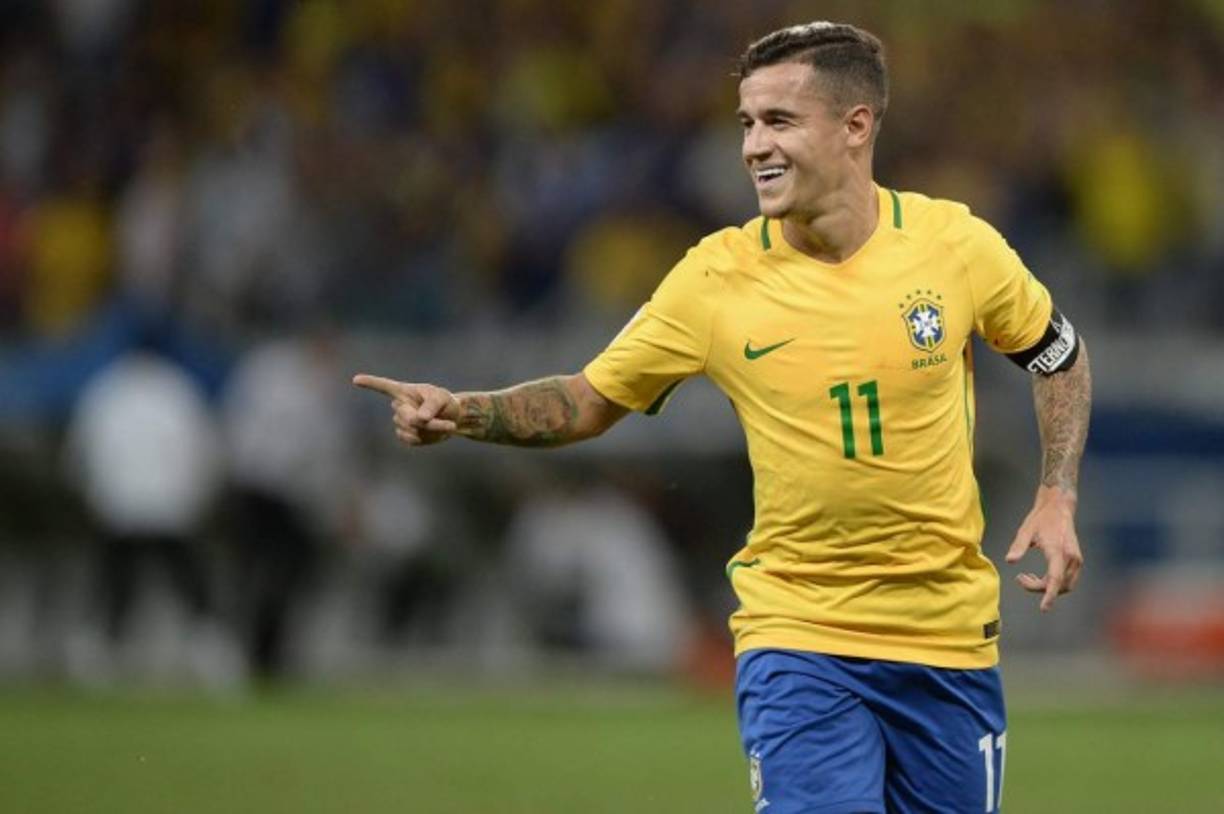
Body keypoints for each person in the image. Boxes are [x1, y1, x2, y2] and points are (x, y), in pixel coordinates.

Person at [354, 21, 1092, 814]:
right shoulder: (715, 278)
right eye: (746, 123)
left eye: (778, 121)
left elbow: (1058, 357)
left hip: (949, 641)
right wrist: (464, 412)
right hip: (799, 640)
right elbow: (589, 399)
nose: (752, 148)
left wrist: (1057, 494)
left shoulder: (956, 246)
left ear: (855, 127)